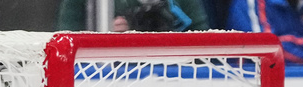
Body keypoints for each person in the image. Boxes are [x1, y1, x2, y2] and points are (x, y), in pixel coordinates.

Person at [56, 0, 210, 31]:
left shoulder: (179, 4)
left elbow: (208, 49)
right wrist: (102, 35)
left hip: (175, 76)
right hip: (105, 79)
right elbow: (65, 35)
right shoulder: (97, 5)